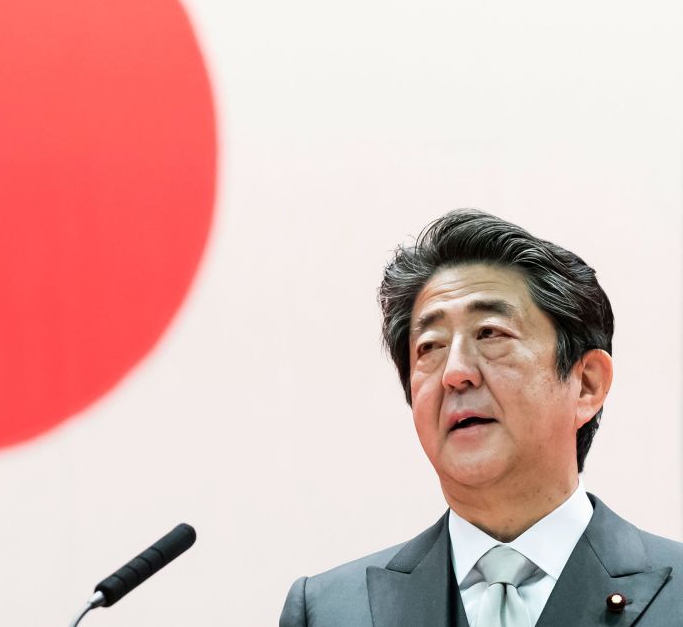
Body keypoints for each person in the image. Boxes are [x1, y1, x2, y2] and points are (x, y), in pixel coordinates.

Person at [280, 210, 683, 626]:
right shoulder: (330, 611)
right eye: (430, 347)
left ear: (586, 385)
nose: (455, 373)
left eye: (490, 334)